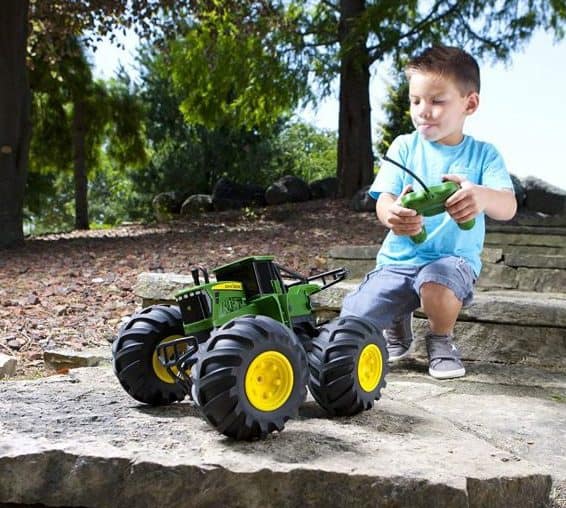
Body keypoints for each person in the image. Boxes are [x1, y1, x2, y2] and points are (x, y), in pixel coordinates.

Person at [341, 45, 517, 379]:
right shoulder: (403, 147)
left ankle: (441, 339)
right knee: (354, 313)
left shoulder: (484, 155)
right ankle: (395, 321)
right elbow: (384, 198)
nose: (424, 111)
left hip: (452, 263)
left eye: (437, 101)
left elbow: (507, 206)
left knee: (436, 281)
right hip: (398, 259)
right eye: (415, 101)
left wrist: (480, 196)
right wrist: (392, 213)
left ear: (470, 103)